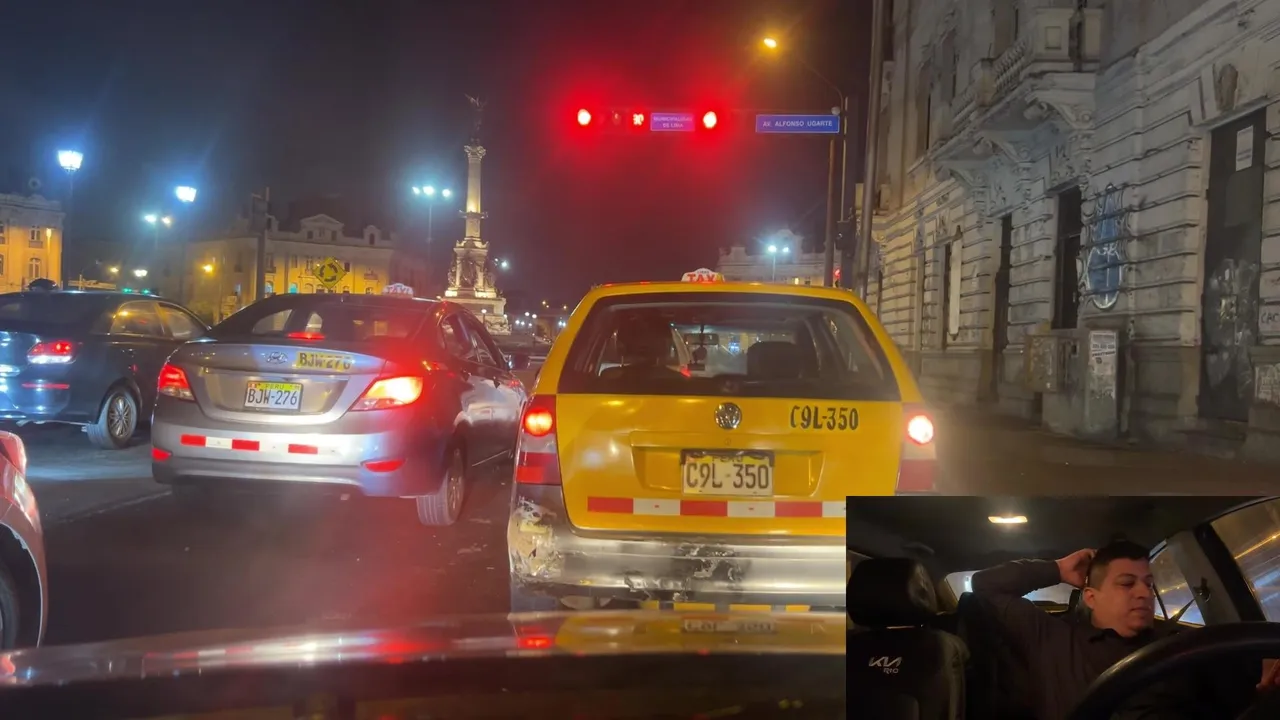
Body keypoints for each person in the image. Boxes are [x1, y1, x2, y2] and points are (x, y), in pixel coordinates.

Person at [970, 540, 1277, 720]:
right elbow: (985, 586)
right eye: (1127, 584)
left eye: (1149, 584)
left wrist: (1264, 688)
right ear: (1091, 598)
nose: (1144, 593)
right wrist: (1058, 569)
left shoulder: (1181, 647)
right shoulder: (1051, 638)